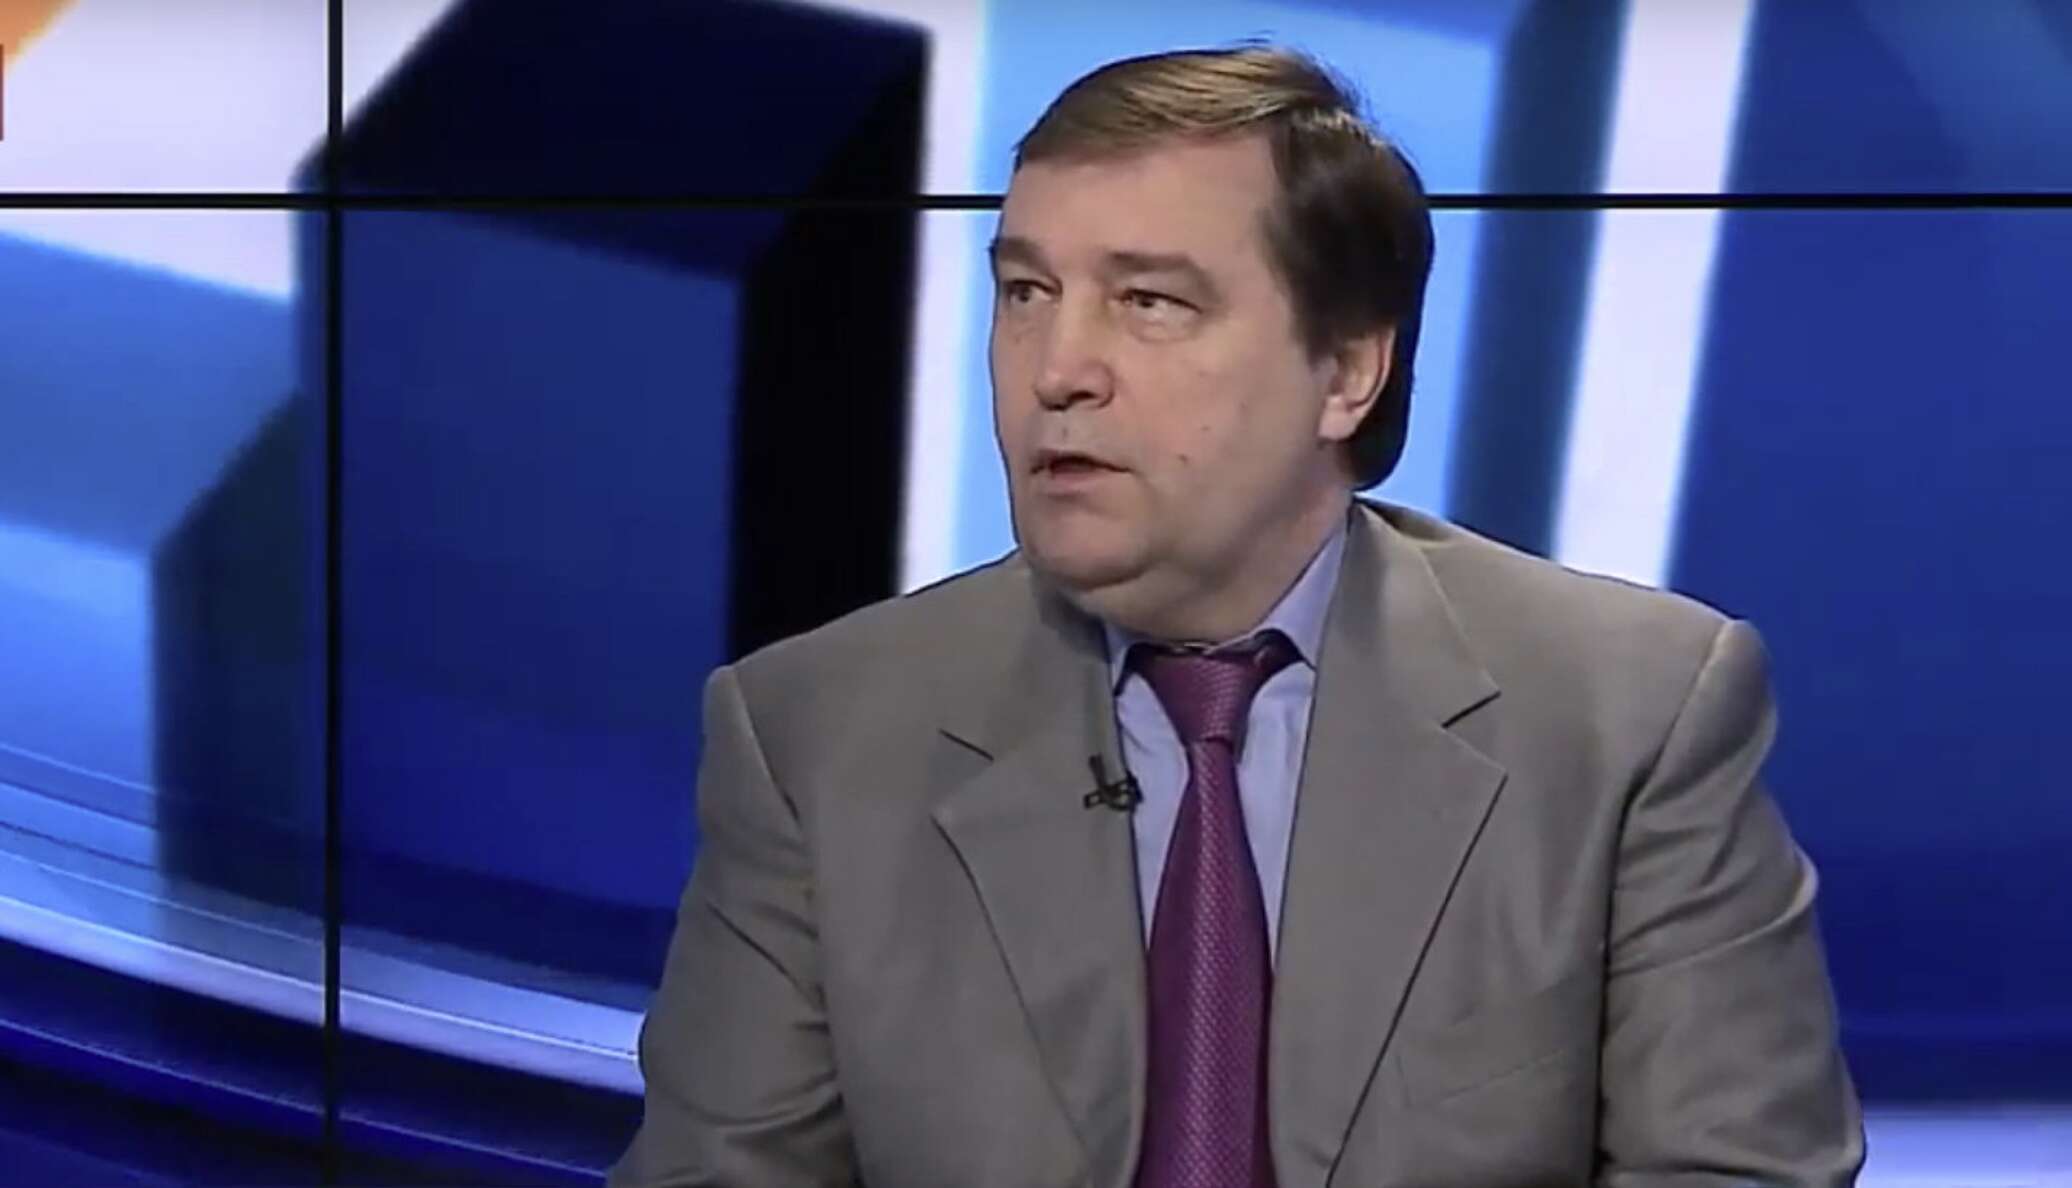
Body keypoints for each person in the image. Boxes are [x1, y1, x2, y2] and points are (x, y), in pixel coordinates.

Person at [611, 45, 1863, 1187]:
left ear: (1346, 371)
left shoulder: (1630, 717)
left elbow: (1739, 1174)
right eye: (1026, 292)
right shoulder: (813, 737)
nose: (1057, 369)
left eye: (1148, 302)